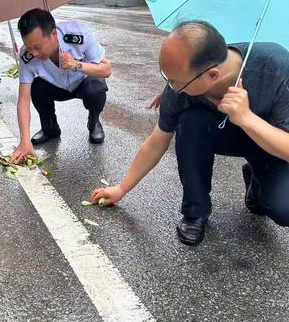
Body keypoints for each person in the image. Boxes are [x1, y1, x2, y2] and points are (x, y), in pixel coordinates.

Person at [92, 20, 289, 246]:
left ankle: (258, 184)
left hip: (268, 140)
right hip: (217, 132)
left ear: (212, 75)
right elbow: (157, 140)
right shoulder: (183, 84)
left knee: (283, 209)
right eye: (167, 78)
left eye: (175, 82)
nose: (171, 87)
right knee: (191, 121)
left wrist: (247, 118)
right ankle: (196, 212)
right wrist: (121, 188)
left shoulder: (277, 68)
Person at [10, 9, 112, 164]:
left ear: (53, 34)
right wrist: (24, 140)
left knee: (96, 86)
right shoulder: (27, 56)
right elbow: (23, 100)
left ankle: (94, 121)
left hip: (83, 83)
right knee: (36, 87)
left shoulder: (78, 34)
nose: (34, 53)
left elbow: (106, 69)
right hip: (57, 88)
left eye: (38, 47)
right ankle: (50, 128)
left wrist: (76, 65)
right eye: (29, 47)